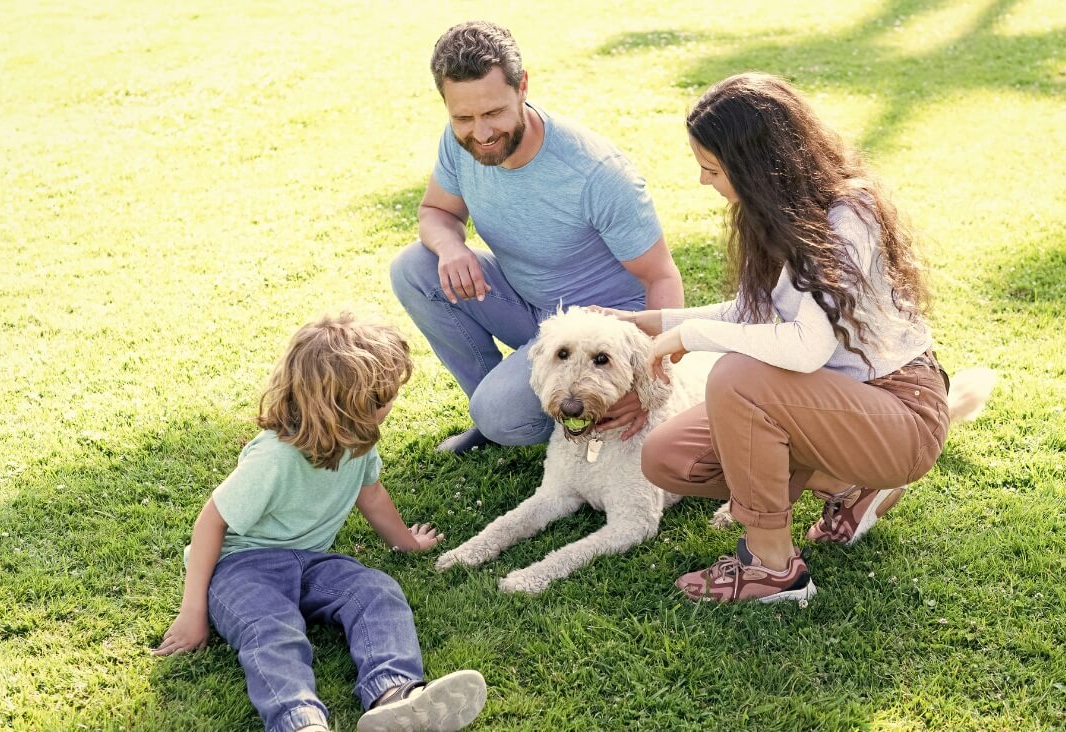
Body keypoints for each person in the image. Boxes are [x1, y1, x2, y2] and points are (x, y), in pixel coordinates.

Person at [610, 72, 950, 604]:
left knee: (739, 379)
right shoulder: (775, 218)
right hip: (828, 405)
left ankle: (774, 569)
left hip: (898, 410)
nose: (705, 182)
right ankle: (846, 483)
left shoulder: (847, 215)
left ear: (754, 167)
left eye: (712, 169)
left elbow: (805, 347)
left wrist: (691, 337)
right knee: (668, 459)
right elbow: (753, 312)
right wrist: (647, 324)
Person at [152, 313, 487, 732]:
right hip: (241, 568)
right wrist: (192, 611)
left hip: (310, 561)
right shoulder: (274, 458)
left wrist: (407, 542)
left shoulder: (358, 439)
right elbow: (210, 523)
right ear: (348, 405)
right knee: (274, 630)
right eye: (384, 398)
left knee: (377, 591)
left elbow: (372, 495)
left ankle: (394, 695)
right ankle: (300, 721)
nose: (391, 404)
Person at [390, 20, 684, 454]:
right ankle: (490, 405)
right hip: (531, 305)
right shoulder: (459, 141)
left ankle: (525, 410)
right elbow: (436, 212)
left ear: (522, 85)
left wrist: (652, 382)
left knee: (503, 414)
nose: (482, 133)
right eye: (464, 117)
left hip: (602, 330)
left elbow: (662, 277)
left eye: (493, 113)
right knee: (414, 268)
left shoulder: (595, 173)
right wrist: (451, 245)